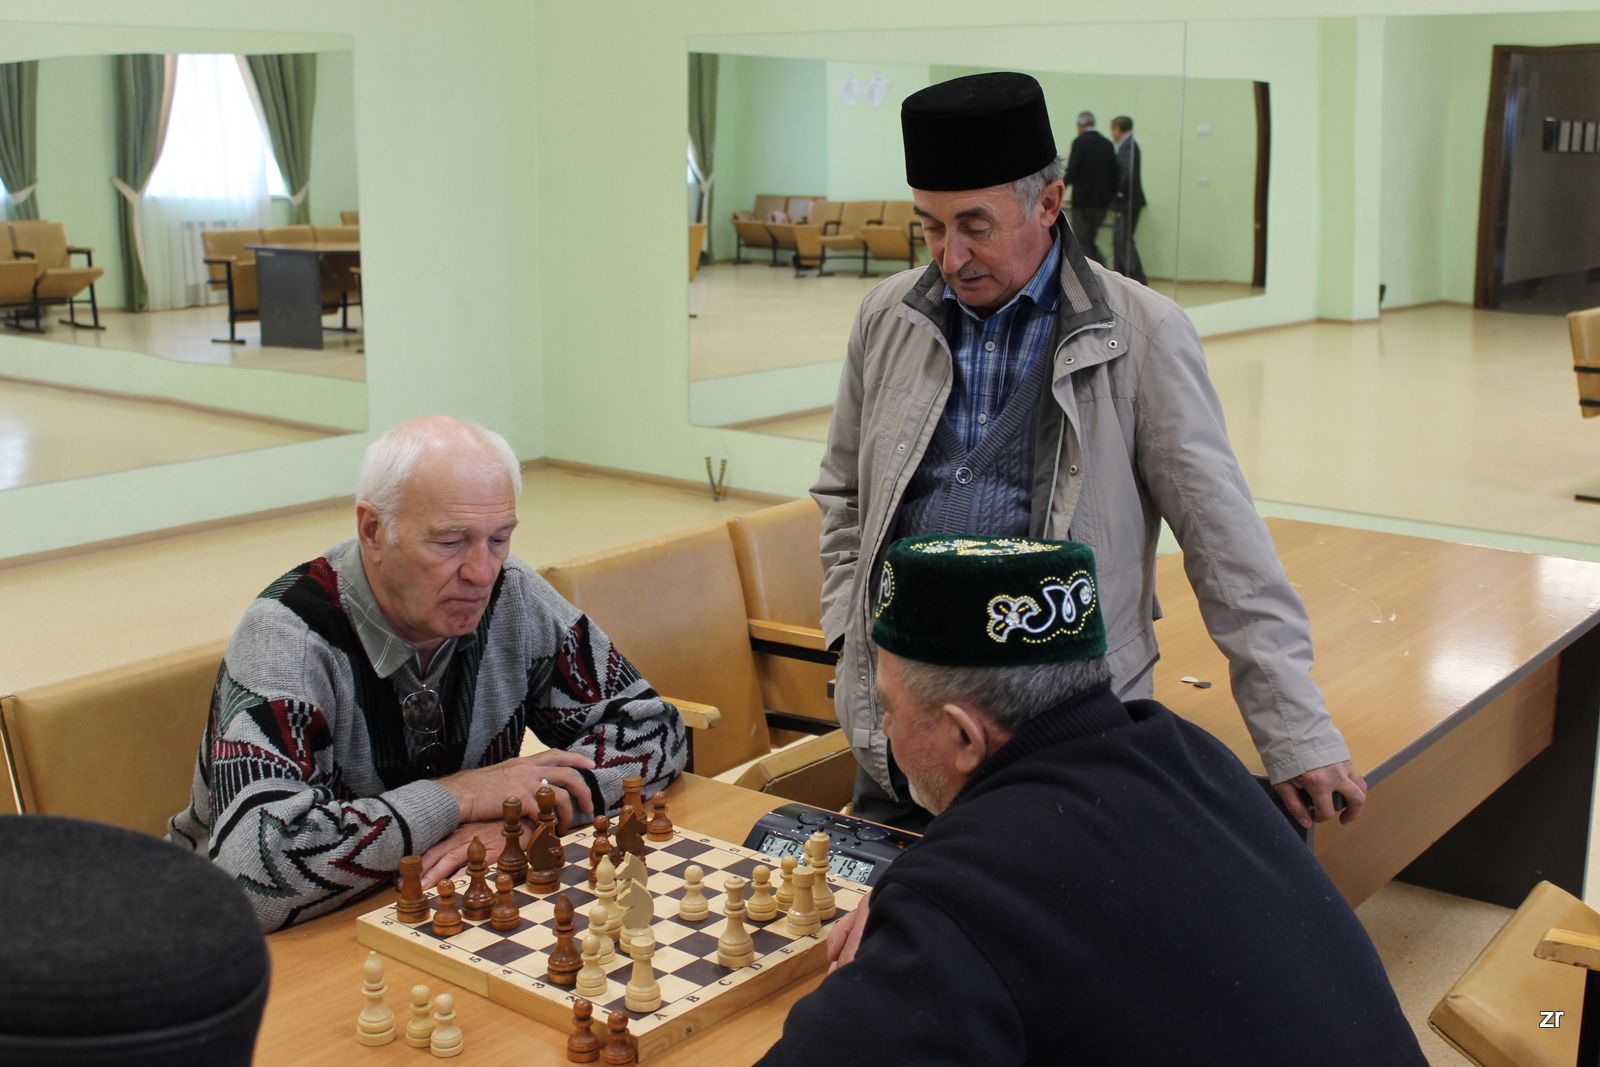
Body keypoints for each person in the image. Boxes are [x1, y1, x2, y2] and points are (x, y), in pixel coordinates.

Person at [813, 71, 1364, 835]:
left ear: (1048, 202)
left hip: (1061, 732)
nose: (950, 256)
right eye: (931, 227)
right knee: (891, 928)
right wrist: (852, 641)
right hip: (903, 726)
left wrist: (1295, 730)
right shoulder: (887, 318)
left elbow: (1223, 542)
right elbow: (843, 496)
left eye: (976, 225)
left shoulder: (1143, 334)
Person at [757, 535, 1425, 1066]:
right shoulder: (1189, 754)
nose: (886, 730)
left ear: (963, 734)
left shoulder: (968, 891)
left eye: (890, 707)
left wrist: (931, 906)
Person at [168, 416, 688, 931]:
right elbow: (254, 874)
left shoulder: (513, 595)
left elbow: (655, 728)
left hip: (421, 908)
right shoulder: (287, 639)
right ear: (373, 530)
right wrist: (458, 797)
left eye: (499, 538)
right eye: (449, 543)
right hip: (228, 941)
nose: (482, 573)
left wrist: (523, 814)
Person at [1060, 109, 1118, 265]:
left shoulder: (1079, 142)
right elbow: (1114, 173)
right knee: (1090, 240)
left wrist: (1058, 190)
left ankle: (1095, 278)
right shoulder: (1107, 144)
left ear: (1080, 125)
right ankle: (1102, 273)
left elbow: (1072, 170)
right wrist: (1110, 197)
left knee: (1082, 241)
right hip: (1102, 203)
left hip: (1083, 201)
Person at [1110, 114, 1148, 284]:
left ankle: (1136, 279)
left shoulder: (1128, 146)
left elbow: (1127, 173)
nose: (1112, 134)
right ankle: (1124, 278)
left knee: (1123, 240)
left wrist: (1118, 191)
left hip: (1127, 201)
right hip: (1129, 200)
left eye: (1113, 130)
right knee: (1122, 240)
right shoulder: (1129, 145)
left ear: (1118, 129)